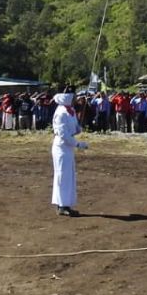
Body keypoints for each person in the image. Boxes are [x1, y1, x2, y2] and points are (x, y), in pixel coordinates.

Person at [51, 88, 88, 217]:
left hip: (68, 148)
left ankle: (65, 204)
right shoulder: (61, 112)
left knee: (68, 176)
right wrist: (78, 144)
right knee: (62, 176)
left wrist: (77, 128)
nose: (75, 99)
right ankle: (61, 205)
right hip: (61, 147)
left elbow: (72, 129)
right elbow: (63, 135)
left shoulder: (70, 111)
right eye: (73, 97)